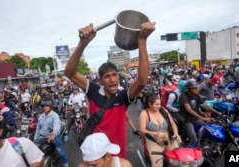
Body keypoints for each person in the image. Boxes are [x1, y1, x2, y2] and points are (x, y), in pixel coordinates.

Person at [64, 22, 155, 158]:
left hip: (118, 154)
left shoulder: (123, 95)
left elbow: (142, 82)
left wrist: (142, 40)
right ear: (100, 80)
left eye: (114, 75)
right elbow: (70, 73)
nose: (112, 80)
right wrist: (82, 43)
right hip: (97, 156)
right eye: (107, 76)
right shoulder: (93, 90)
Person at [139, 93, 181, 167]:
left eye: (160, 104)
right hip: (154, 140)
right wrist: (156, 133)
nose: (159, 106)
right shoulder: (144, 114)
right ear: (150, 104)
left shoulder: (163, 110)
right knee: (158, 165)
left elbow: (172, 123)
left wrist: (176, 133)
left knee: (178, 159)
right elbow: (142, 130)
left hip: (168, 137)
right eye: (156, 104)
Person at [179, 80, 214, 148]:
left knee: (208, 130)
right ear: (189, 89)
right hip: (188, 120)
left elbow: (203, 105)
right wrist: (203, 118)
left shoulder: (196, 95)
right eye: (194, 88)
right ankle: (189, 155)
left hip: (196, 118)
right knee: (194, 140)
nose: (197, 89)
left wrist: (218, 113)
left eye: (197, 88)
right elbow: (189, 110)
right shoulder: (183, 96)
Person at [34, 100, 69, 167]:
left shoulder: (55, 116)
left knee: (60, 151)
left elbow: (57, 126)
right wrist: (36, 137)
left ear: (50, 107)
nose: (45, 107)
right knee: (35, 150)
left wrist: (53, 134)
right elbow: (38, 128)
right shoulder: (41, 116)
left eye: (47, 106)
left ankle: (66, 164)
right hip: (42, 136)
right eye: (43, 106)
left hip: (54, 137)